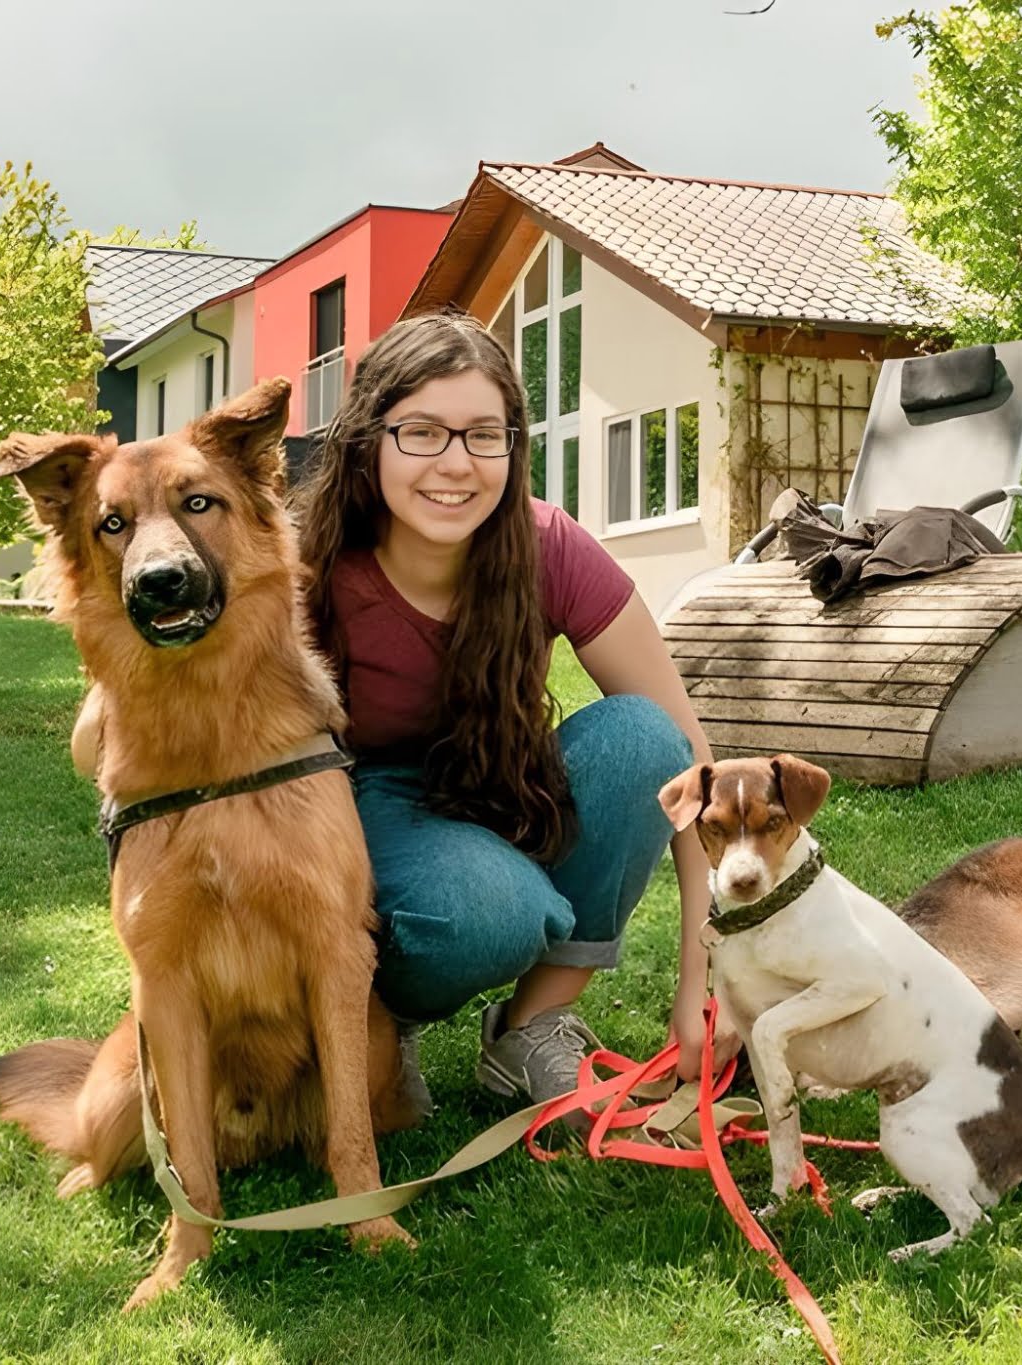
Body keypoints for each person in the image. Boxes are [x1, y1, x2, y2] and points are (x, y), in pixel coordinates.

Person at [292, 307, 718, 1112]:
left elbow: (695, 767)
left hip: (496, 785)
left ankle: (530, 1027)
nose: (455, 463)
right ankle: (383, 1022)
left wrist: (707, 965)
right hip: (354, 807)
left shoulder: (548, 545)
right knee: (488, 912)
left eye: (483, 435)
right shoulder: (307, 564)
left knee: (643, 741)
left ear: (513, 447)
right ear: (368, 441)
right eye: (421, 431)